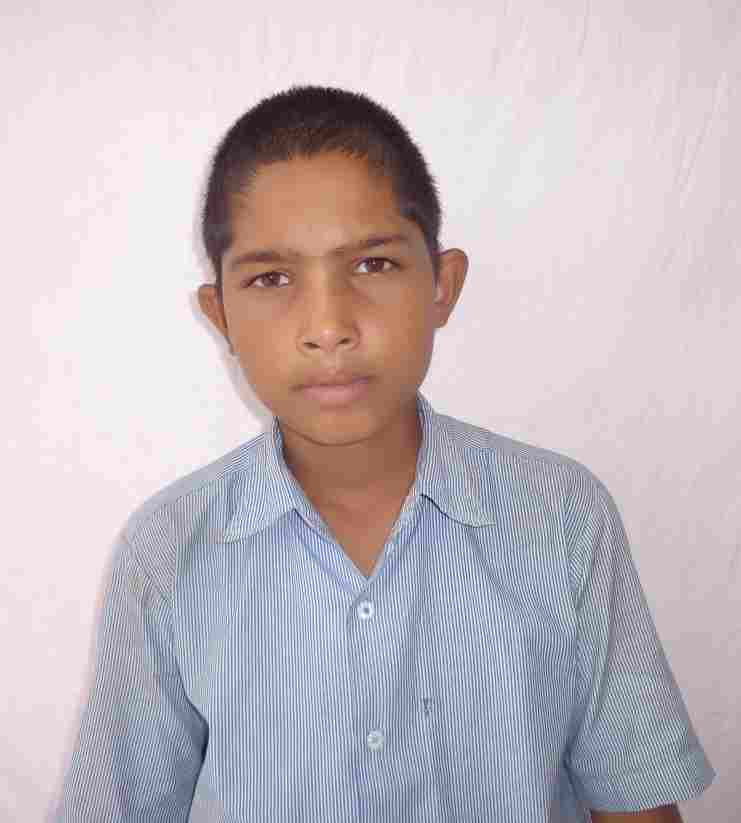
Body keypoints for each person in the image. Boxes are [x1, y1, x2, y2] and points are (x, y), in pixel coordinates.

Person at [56, 85, 714, 822]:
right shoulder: (168, 550)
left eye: (371, 264)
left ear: (443, 286)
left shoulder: (561, 516)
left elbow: (634, 804)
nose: (328, 326)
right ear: (222, 317)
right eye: (272, 278)